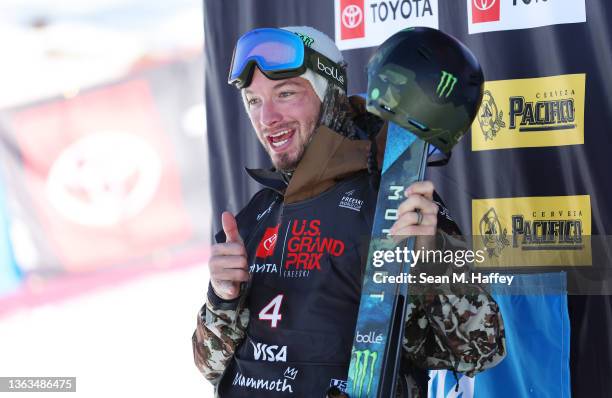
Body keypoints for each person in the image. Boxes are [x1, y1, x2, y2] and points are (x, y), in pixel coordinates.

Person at [193, 26, 506, 397]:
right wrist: (221, 298)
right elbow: (209, 365)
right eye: (254, 101)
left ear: (330, 95)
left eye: (286, 93)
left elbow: (481, 350)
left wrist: (429, 256)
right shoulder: (255, 215)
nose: (267, 118)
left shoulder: (395, 203)